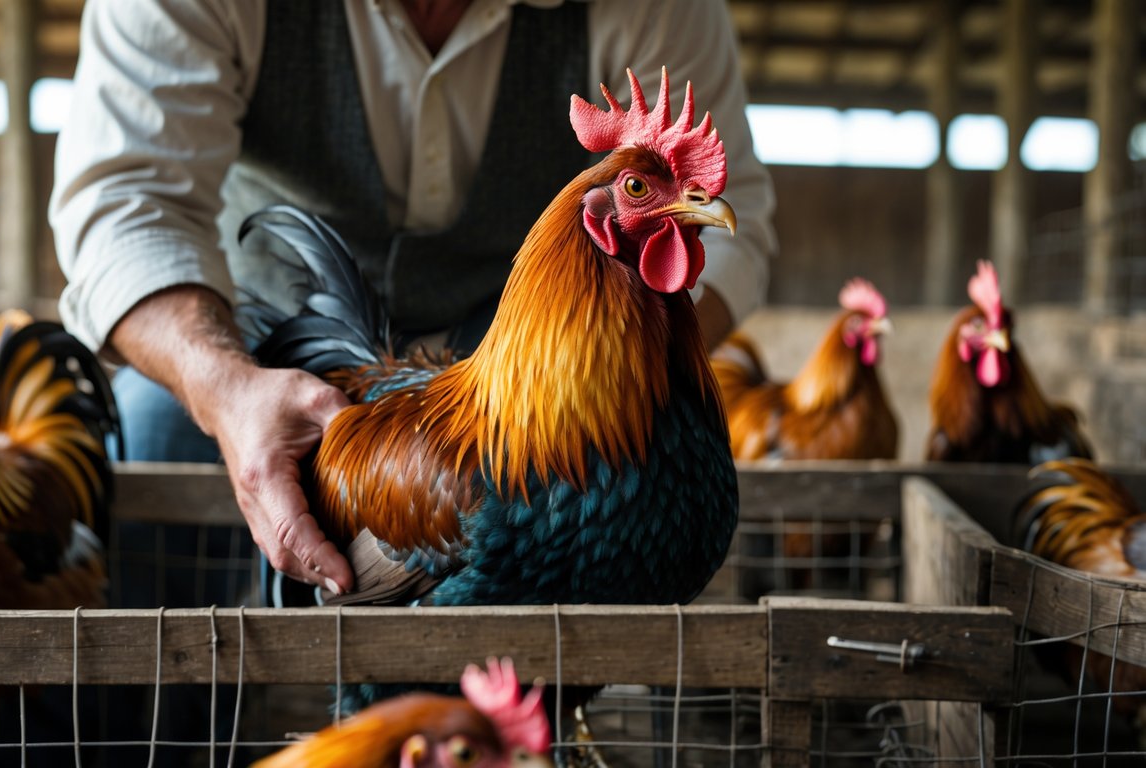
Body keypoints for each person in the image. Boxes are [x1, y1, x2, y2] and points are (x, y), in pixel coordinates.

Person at [52, 0, 778, 604]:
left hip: (517, 346)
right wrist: (224, 389)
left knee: (633, 491)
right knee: (148, 437)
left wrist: (617, 385)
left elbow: (730, 207)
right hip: (262, 322)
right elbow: (125, 204)